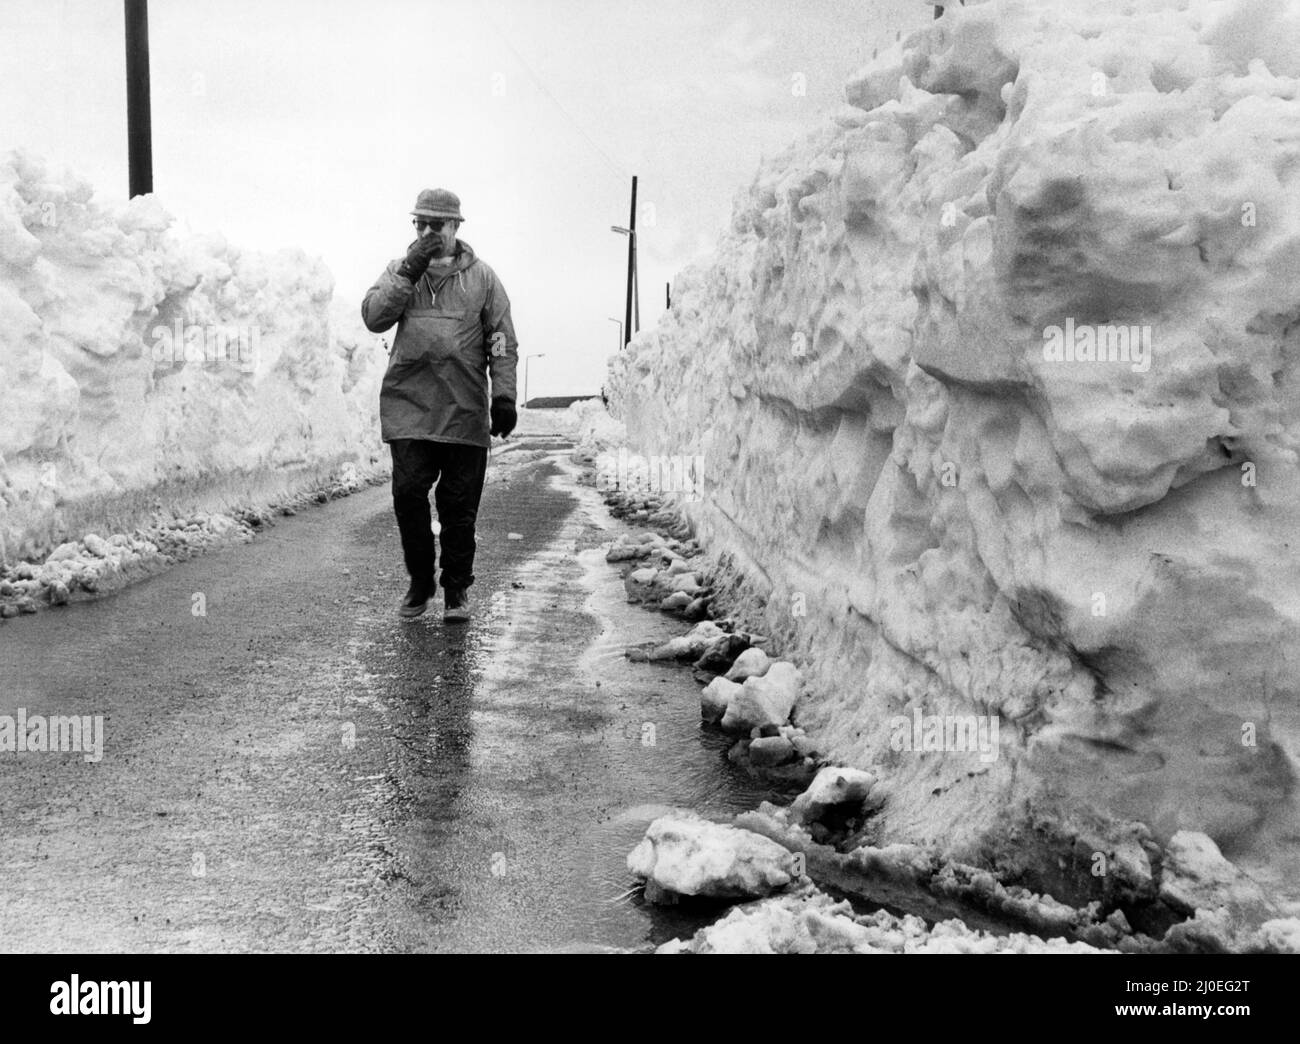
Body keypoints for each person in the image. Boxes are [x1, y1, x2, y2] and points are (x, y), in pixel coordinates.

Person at [361, 188, 518, 621]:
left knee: (458, 506)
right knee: (408, 493)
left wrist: (504, 395)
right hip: (410, 406)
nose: (428, 232)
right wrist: (407, 272)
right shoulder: (401, 272)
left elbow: (501, 341)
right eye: (420, 224)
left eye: (437, 225)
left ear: (455, 228)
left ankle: (456, 592)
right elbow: (374, 317)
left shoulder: (483, 279)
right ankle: (419, 581)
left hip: (464, 411)